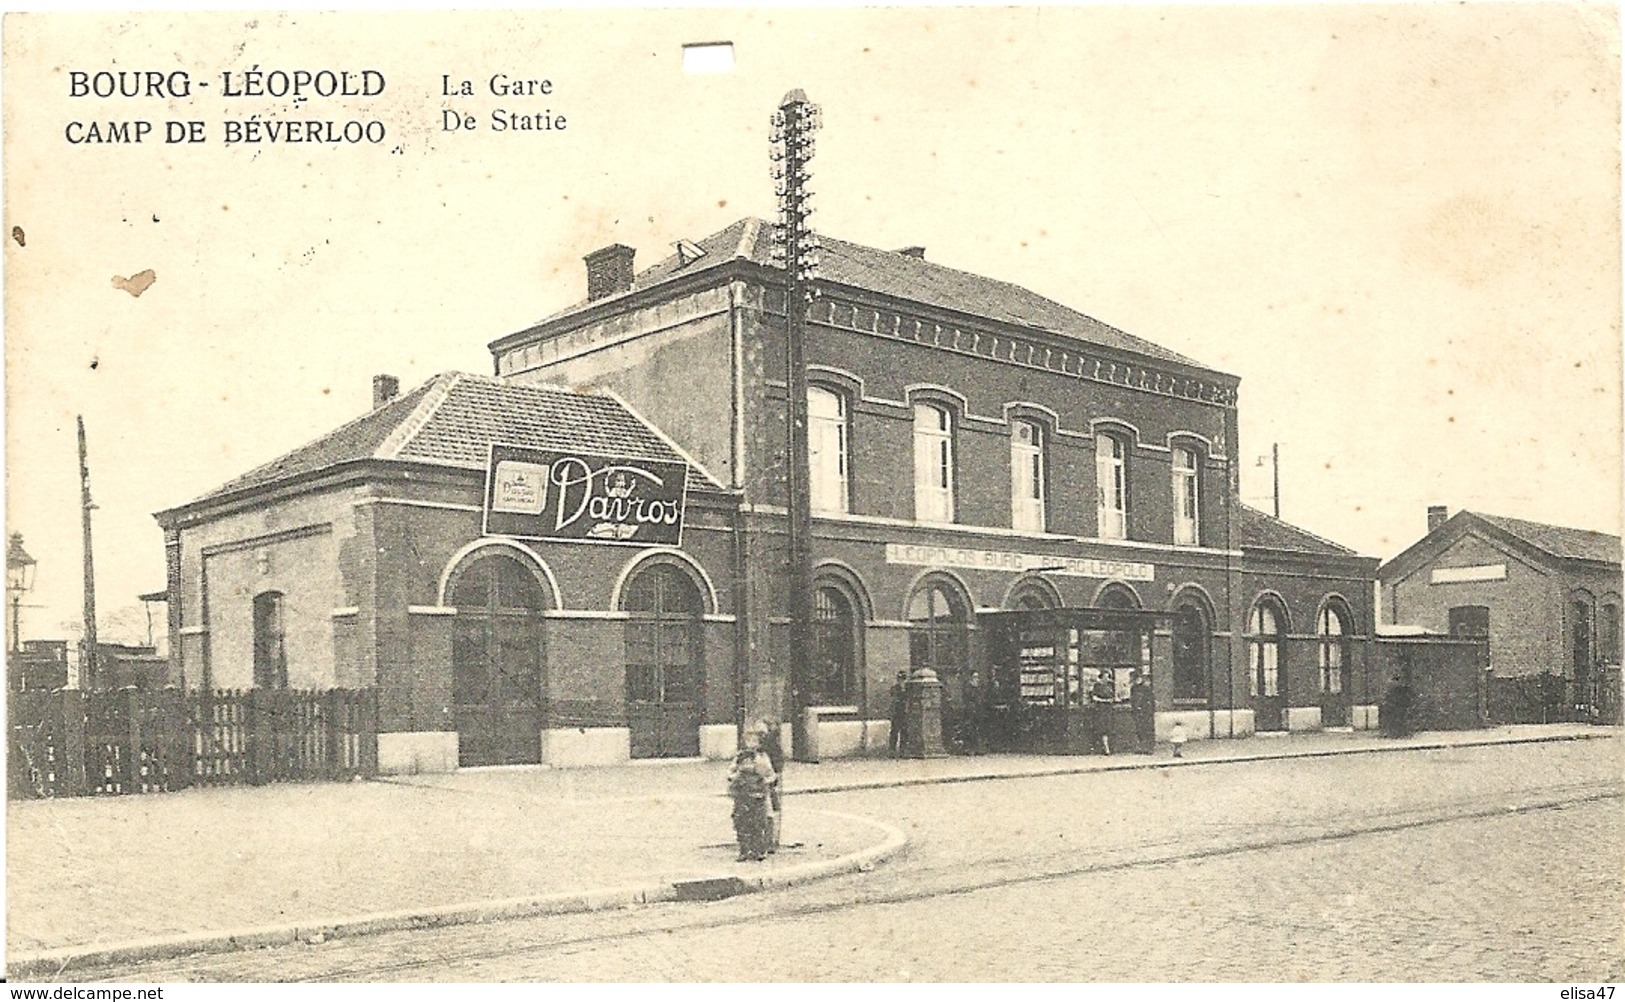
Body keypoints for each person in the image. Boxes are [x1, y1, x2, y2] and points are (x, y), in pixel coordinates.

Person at [727, 732, 776, 861]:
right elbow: (731, 780)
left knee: (758, 825)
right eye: (749, 741)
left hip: (758, 801)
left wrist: (764, 784)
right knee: (742, 826)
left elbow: (770, 776)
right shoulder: (739, 763)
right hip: (742, 803)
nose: (752, 744)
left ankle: (759, 850)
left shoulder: (762, 759)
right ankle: (744, 850)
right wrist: (734, 781)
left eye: (755, 741)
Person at [755, 719, 785, 853]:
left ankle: (770, 841)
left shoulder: (771, 747)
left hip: (768, 783)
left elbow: (777, 763)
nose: (759, 736)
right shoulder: (753, 746)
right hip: (755, 783)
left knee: (770, 812)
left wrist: (774, 778)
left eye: (762, 733)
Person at [1090, 669, 1116, 755]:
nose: (1107, 679)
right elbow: (1094, 697)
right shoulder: (1097, 686)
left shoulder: (1110, 686)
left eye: (1108, 677)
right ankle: (1106, 748)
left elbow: (1113, 696)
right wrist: (1104, 700)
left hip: (1108, 709)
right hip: (1100, 709)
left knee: (1108, 728)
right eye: (1105, 677)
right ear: (1101, 677)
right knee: (1102, 728)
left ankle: (1108, 747)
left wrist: (1112, 700)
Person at [1129, 669, 1154, 754]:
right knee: (1139, 729)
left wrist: (1146, 709)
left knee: (1147, 729)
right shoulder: (1133, 688)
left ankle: (1149, 748)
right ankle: (1141, 747)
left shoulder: (1146, 688)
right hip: (1137, 712)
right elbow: (1133, 699)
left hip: (1146, 712)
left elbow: (1150, 700)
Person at [888, 670, 909, 756]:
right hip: (897, 713)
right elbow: (894, 699)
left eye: (903, 679)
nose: (901, 681)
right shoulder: (895, 688)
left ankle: (902, 750)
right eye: (900, 679)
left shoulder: (908, 689)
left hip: (905, 713)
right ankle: (892, 751)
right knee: (894, 732)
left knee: (904, 732)